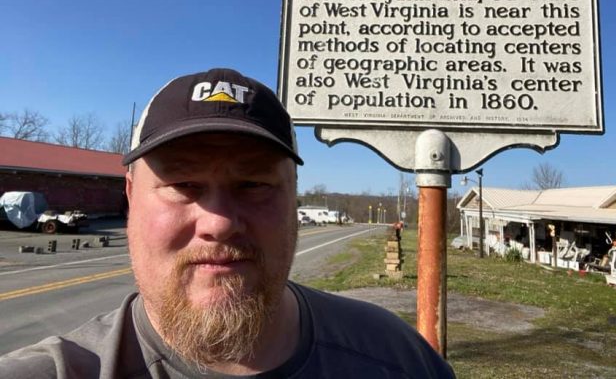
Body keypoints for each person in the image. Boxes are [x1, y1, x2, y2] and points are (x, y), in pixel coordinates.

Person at [1, 68, 455, 378]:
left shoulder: (398, 359)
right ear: (131, 196)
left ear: (293, 198)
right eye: (183, 184)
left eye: (253, 184)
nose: (218, 223)